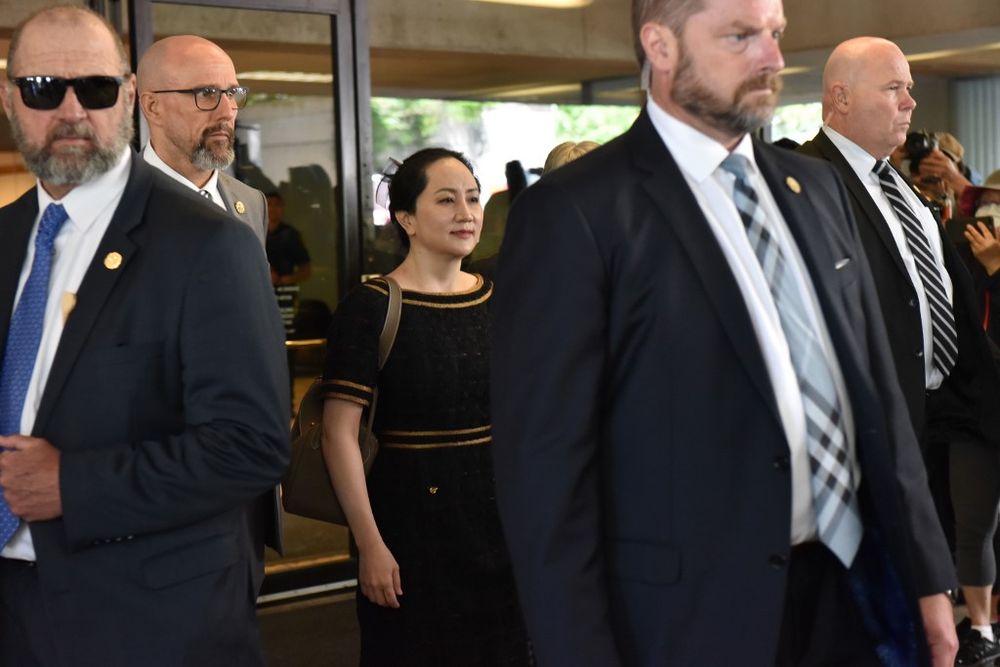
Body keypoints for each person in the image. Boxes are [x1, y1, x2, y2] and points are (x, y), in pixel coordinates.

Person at [491, 1, 957, 665]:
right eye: (740, 36)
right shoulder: (576, 212)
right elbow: (547, 481)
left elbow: (877, 397)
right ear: (661, 46)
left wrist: (929, 573)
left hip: (853, 599)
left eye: (775, 34)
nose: (771, 58)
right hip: (690, 619)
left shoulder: (817, 189)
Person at [0, 6, 289, 665]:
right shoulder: (5, 238)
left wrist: (73, 484)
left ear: (129, 96)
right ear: (10, 99)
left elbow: (251, 445)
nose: (72, 111)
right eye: (44, 88)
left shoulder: (208, 242)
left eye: (96, 88)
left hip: (147, 620)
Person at [798, 36, 1000, 665]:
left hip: (942, 412)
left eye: (909, 87)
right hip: (871, 427)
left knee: (942, 564)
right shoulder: (807, 182)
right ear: (840, 97)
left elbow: (939, 290)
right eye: (895, 88)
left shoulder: (903, 188)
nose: (911, 102)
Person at [319, 148, 530, 665]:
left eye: (474, 198)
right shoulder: (372, 306)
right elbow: (338, 435)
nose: (466, 213)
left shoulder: (497, 298)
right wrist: (369, 544)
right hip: (409, 532)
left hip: (500, 526)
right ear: (406, 218)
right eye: (446, 199)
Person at [137, 35, 268, 246]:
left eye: (232, 93)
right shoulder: (109, 203)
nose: (228, 111)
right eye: (207, 93)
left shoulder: (251, 202)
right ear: (153, 106)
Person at [266, 191, 312, 286]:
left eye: (277, 204)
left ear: (282, 208)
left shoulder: (291, 235)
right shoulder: (255, 233)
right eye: (269, 204)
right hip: (259, 290)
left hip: (286, 293)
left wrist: (288, 279)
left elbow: (306, 270)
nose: (272, 208)